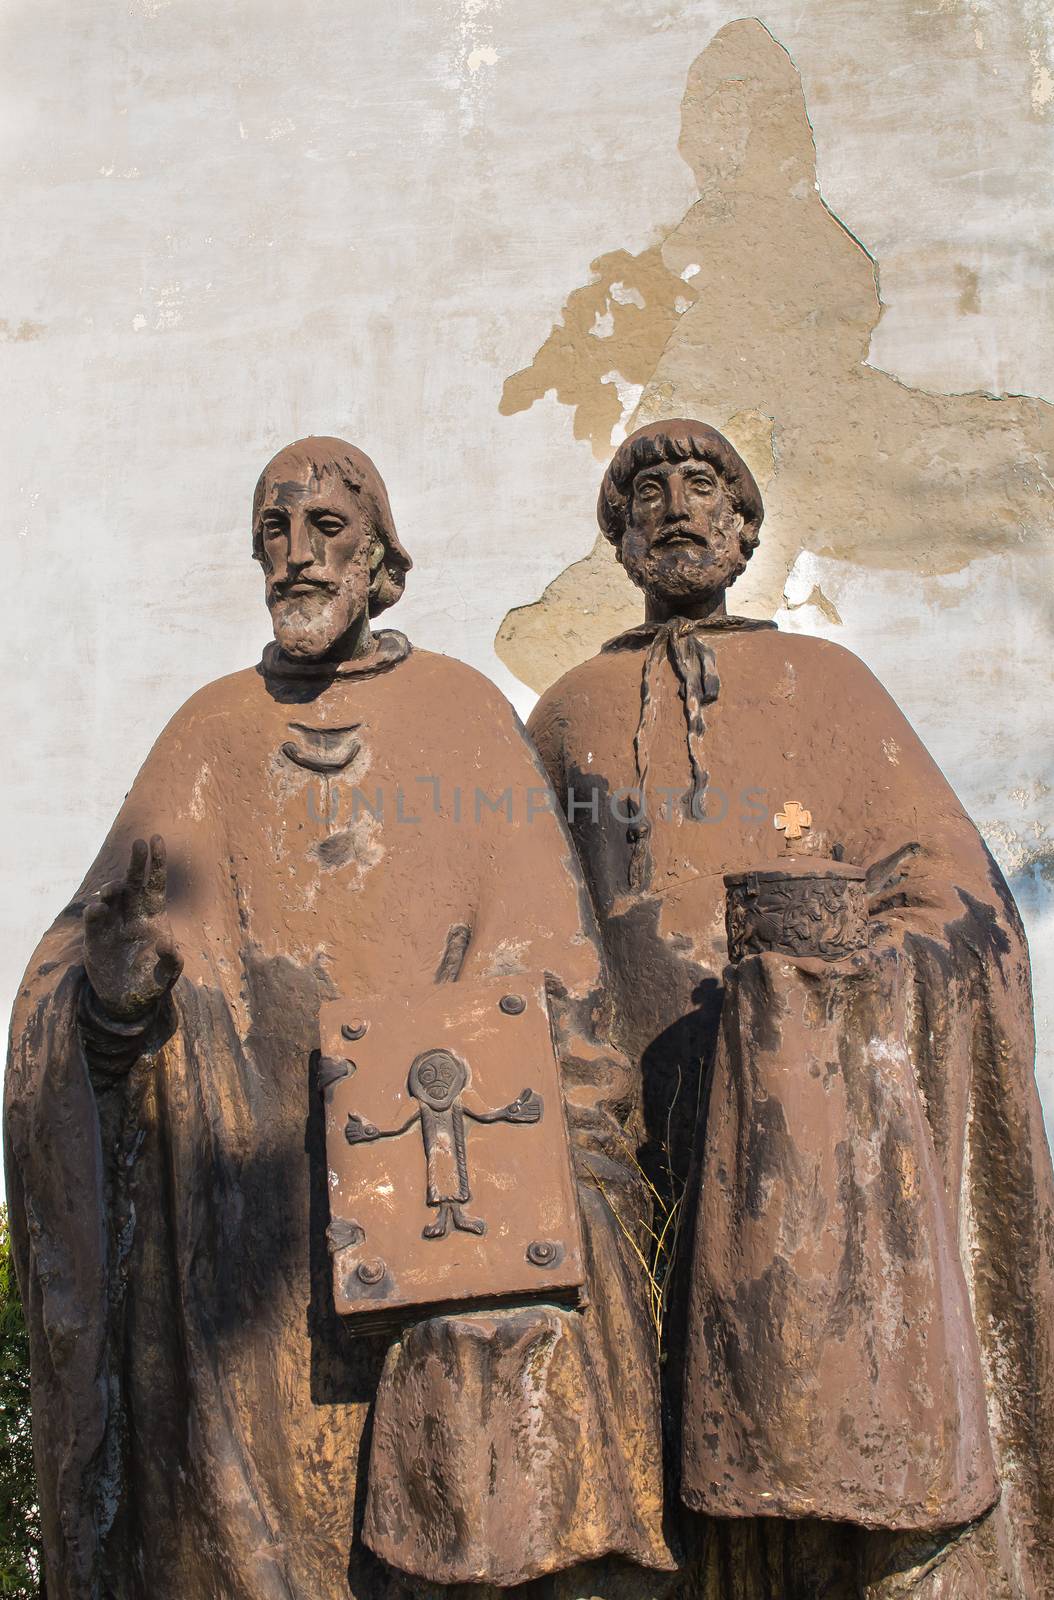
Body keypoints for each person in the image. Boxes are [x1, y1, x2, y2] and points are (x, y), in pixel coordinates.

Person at [5, 438, 673, 1600]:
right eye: (275, 530)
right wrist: (107, 1011)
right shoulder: (209, 732)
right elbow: (82, 957)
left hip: (436, 1185)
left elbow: (548, 963)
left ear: (380, 560)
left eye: (326, 529)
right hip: (247, 1223)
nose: (298, 556)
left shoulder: (462, 713)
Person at [527, 418, 1054, 1597]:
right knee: (656, 1454)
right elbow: (519, 917)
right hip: (634, 1139)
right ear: (618, 540)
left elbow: (959, 899)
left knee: (806, 1433)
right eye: (645, 491)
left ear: (743, 527)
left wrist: (845, 976)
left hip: (808, 1140)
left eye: (701, 484)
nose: (673, 505)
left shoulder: (826, 683)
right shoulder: (568, 711)